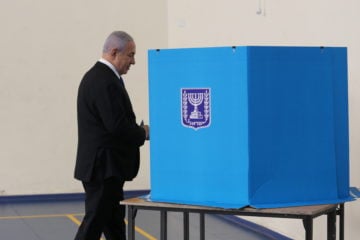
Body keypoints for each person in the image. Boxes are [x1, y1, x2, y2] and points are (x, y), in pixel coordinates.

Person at [74, 31, 149, 240]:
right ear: (115, 52)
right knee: (93, 225)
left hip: (107, 169)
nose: (133, 62)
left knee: (114, 224)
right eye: (131, 55)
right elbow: (116, 126)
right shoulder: (104, 80)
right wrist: (142, 132)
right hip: (103, 169)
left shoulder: (100, 77)